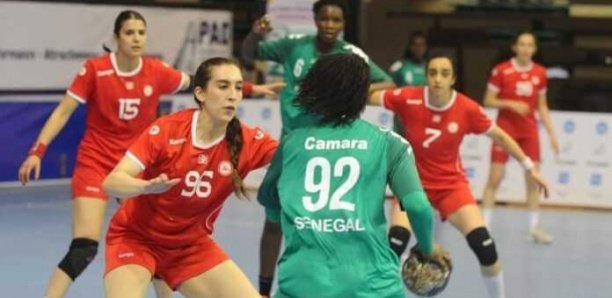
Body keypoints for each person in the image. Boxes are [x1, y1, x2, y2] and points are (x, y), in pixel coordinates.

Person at [17, 10, 280, 298]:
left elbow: (201, 78)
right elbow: (64, 111)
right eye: (130, 33)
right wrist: (37, 151)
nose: (137, 38)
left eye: (141, 32)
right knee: (85, 247)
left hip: (165, 201)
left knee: (163, 235)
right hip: (104, 164)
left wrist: (253, 88)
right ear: (117, 38)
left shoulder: (157, 72)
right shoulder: (99, 72)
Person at [258, 53, 447, 298]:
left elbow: (272, 216)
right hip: (372, 285)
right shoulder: (389, 143)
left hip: (301, 283)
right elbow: (418, 206)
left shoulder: (291, 143)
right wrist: (427, 246)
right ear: (362, 95)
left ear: (316, 89)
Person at [241, 1, 395, 295]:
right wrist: (254, 34)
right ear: (314, 19)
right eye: (324, 18)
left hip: (332, 148)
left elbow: (387, 82)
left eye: (335, 20)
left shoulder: (351, 55)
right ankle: (263, 290)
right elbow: (249, 55)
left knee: (329, 226)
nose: (329, 24)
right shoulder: (293, 46)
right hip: (292, 148)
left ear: (343, 24)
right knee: (273, 221)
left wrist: (351, 91)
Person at [369, 54, 550, 298]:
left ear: (453, 78)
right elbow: (368, 97)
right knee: (396, 242)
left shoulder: (466, 108)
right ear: (427, 76)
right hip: (412, 184)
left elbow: (500, 136)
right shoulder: (408, 97)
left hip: (451, 187)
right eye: (432, 72)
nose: (437, 79)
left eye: (444, 73)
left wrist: (530, 168)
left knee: (484, 247)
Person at [102, 57, 277, 298]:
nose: (233, 95)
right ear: (200, 93)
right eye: (223, 86)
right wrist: (144, 187)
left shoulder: (249, 140)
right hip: (136, 239)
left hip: (189, 246)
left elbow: (298, 153)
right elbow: (112, 182)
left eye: (238, 87)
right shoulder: (168, 129)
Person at [481, 31, 559, 244]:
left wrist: (552, 134)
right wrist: (510, 104)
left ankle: (534, 228)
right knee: (494, 179)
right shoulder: (501, 70)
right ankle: (483, 229)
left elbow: (542, 105)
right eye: (522, 44)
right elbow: (488, 100)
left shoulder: (540, 73)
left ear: (534, 49)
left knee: (532, 180)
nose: (526, 49)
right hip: (505, 131)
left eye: (530, 45)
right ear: (515, 47)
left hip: (528, 133)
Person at [387, 31, 429, 258]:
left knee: (419, 188)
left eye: (423, 44)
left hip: (424, 137)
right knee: (401, 187)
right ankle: (398, 234)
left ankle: (419, 236)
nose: (419, 48)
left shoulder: (430, 69)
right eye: (416, 44)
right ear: (410, 46)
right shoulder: (399, 67)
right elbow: (390, 92)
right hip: (403, 134)